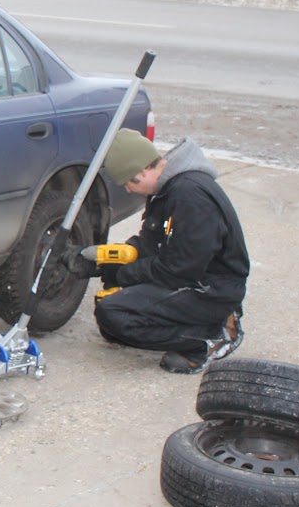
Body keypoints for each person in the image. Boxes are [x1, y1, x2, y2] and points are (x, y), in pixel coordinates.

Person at [82, 129, 250, 374]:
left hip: (210, 288)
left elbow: (180, 268)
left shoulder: (189, 196)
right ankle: (205, 323)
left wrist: (123, 275)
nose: (128, 190)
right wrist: (103, 264)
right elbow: (150, 245)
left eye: (130, 182)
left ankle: (211, 337)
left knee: (115, 313)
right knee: (111, 324)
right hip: (190, 277)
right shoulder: (166, 190)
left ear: (142, 170)